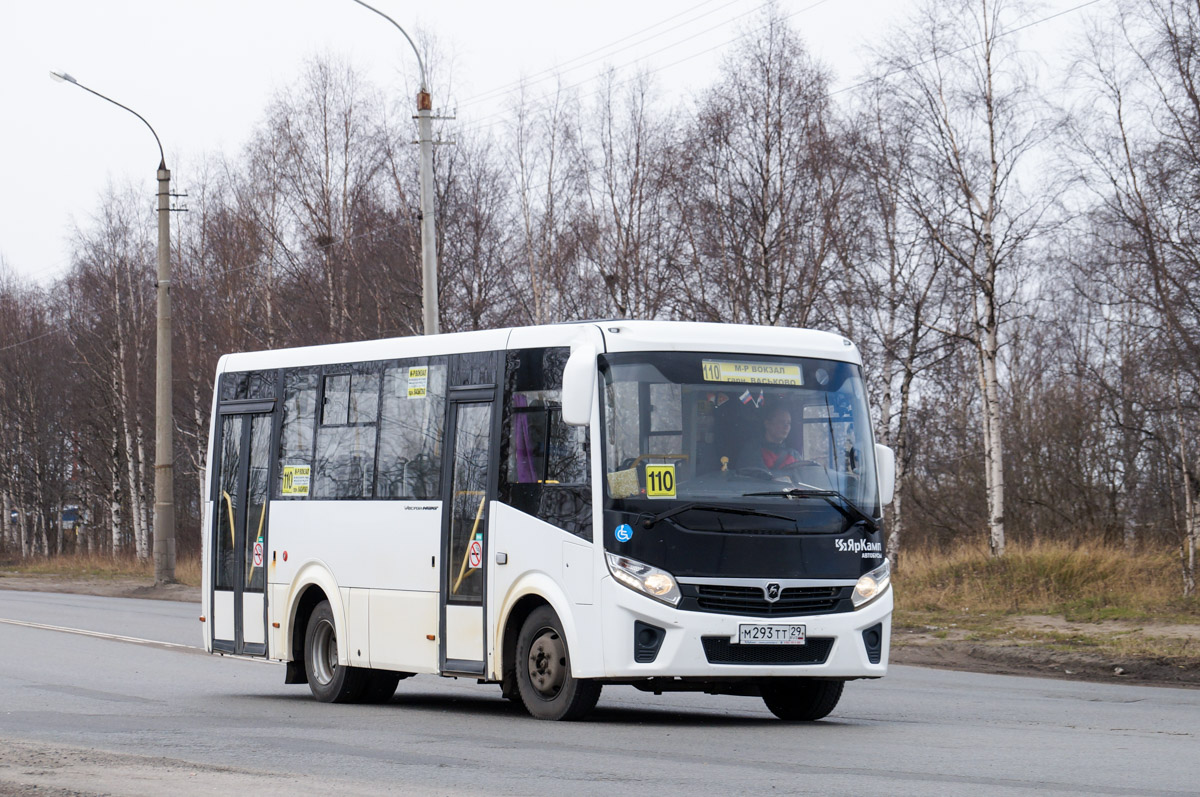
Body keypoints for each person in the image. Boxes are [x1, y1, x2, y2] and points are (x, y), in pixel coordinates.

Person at [737, 406, 804, 471]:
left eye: (789, 423)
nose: (786, 426)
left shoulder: (795, 455)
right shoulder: (752, 451)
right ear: (767, 424)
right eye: (781, 422)